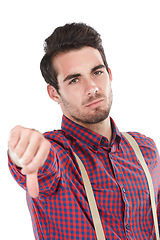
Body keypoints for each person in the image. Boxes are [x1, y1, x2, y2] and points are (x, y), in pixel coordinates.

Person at [8, 23, 160, 240]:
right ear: (54, 93)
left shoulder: (146, 150)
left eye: (97, 72)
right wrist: (26, 152)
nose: (92, 88)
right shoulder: (57, 154)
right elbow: (43, 166)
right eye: (75, 79)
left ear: (109, 74)